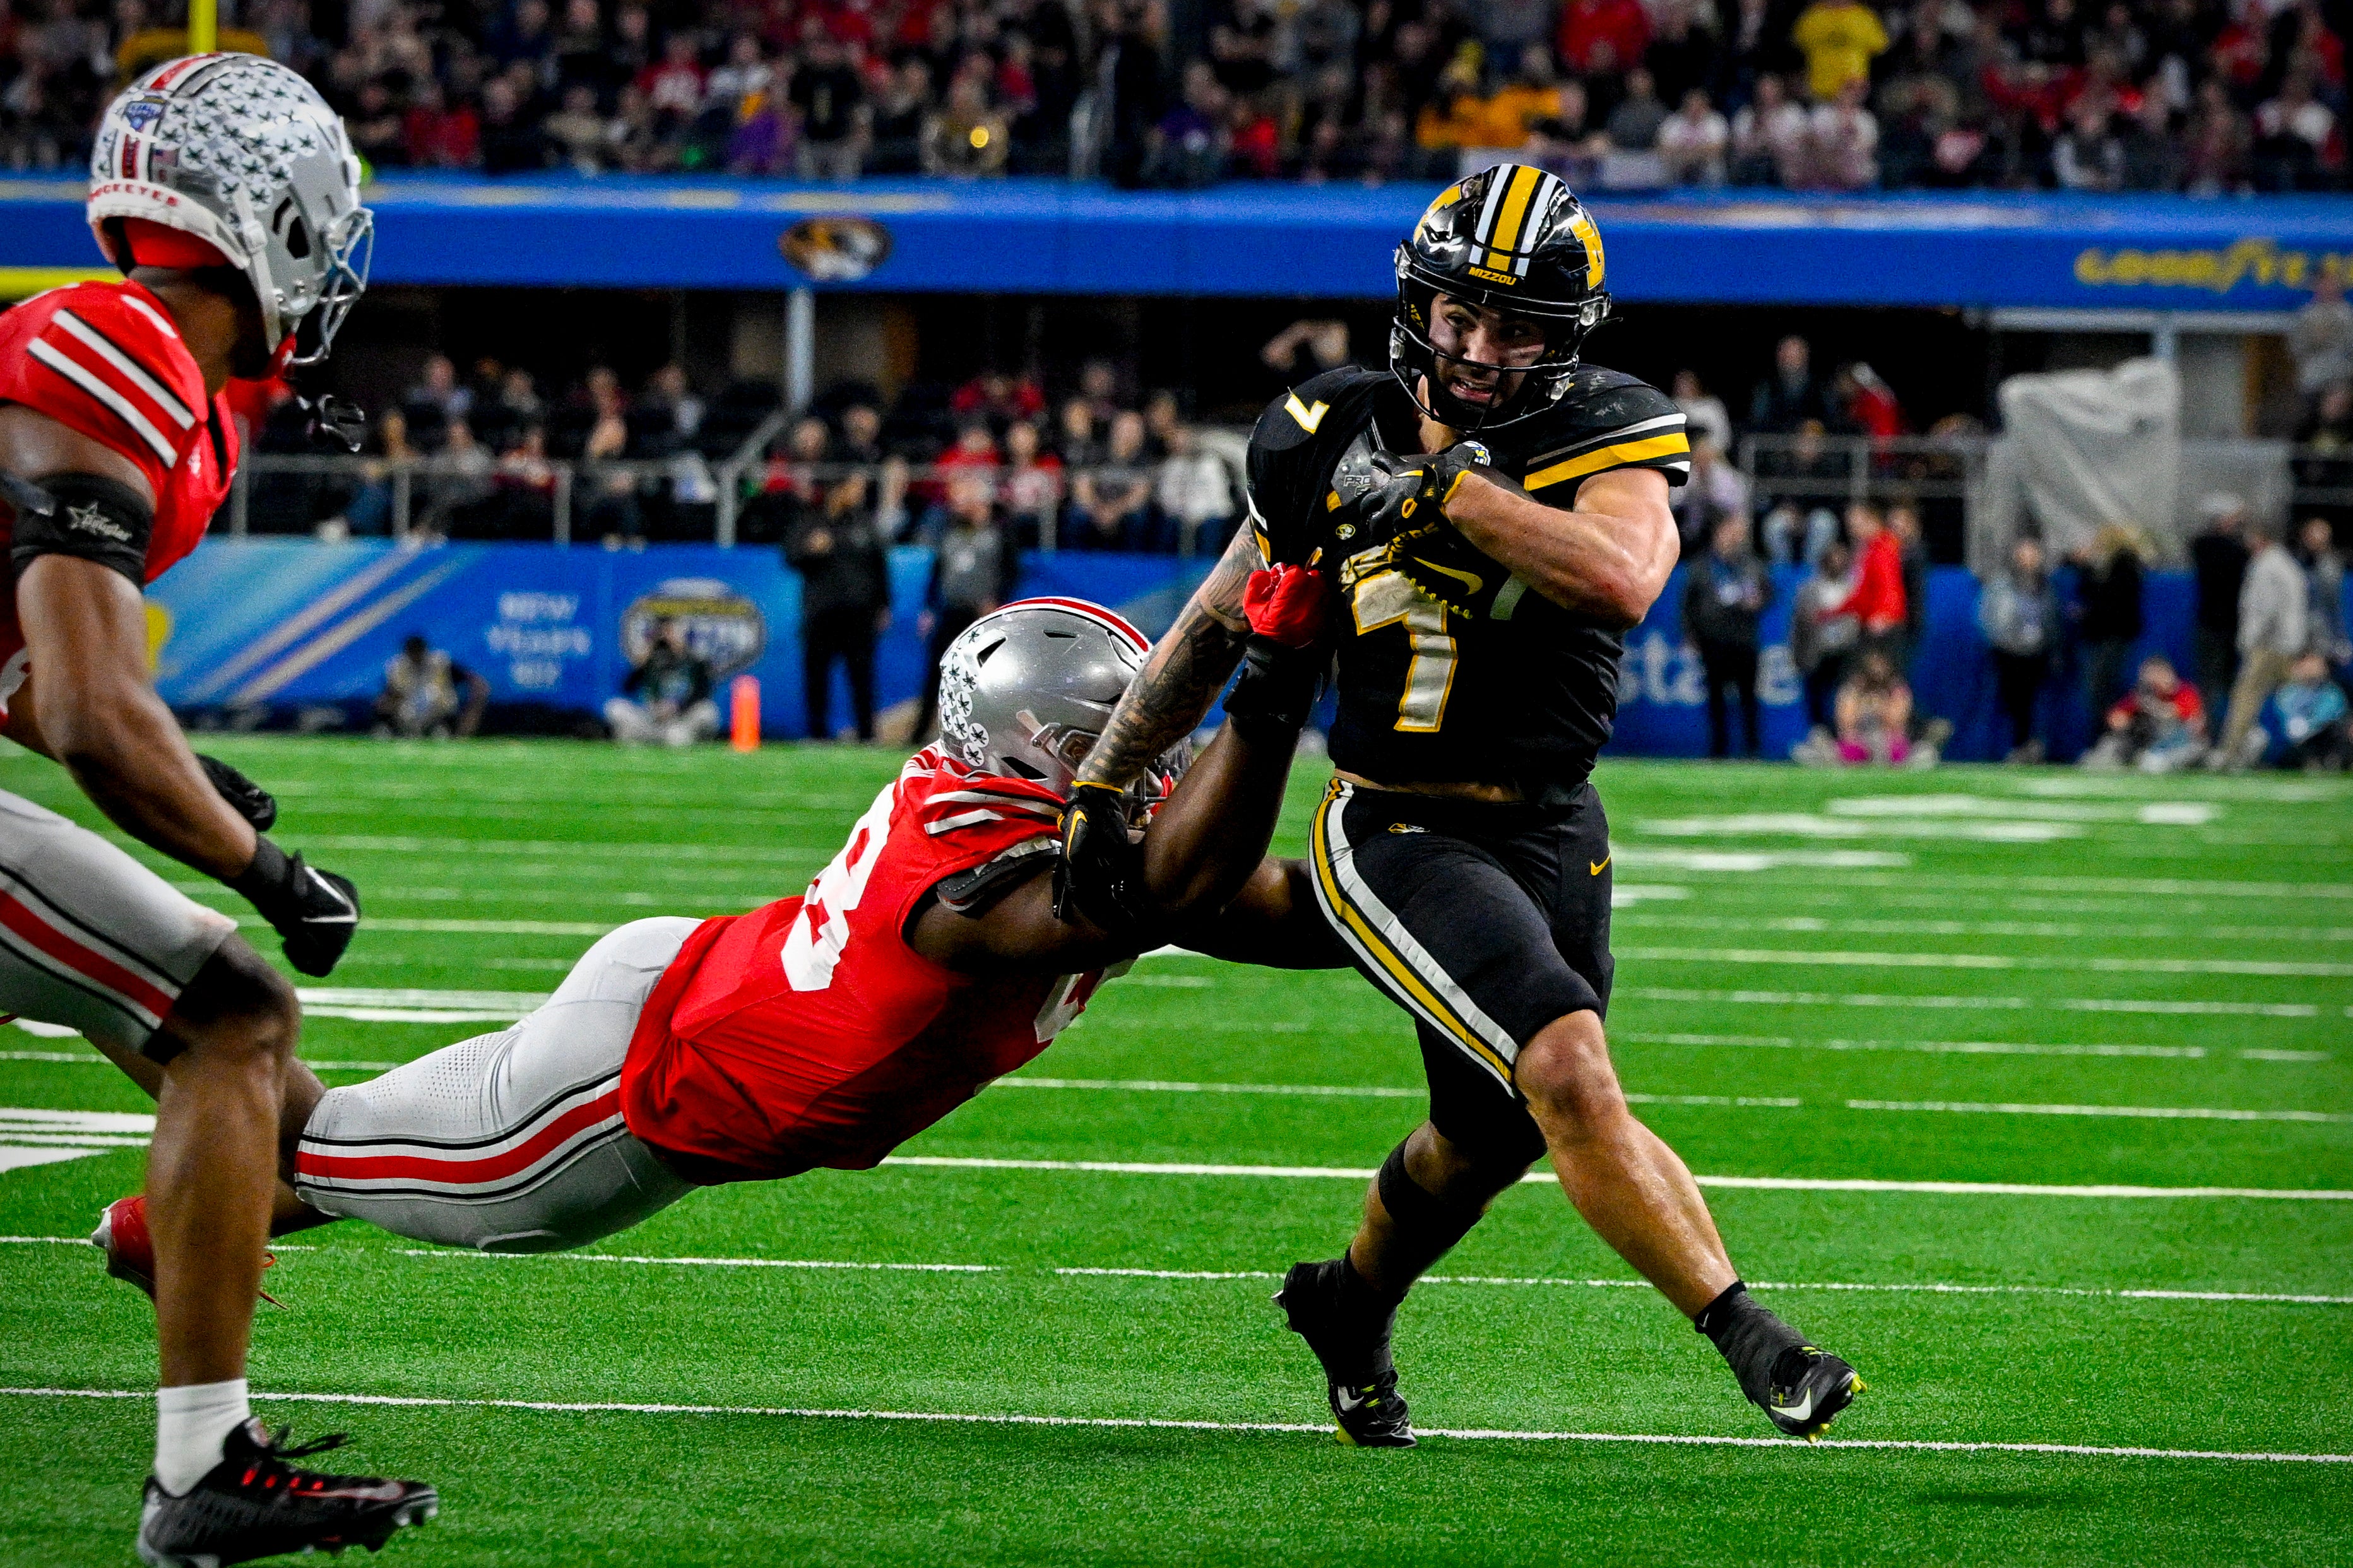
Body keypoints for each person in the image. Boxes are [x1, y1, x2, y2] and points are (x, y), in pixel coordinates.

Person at [1051, 165, 1858, 1449]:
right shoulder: (1323, 431)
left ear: (1568, 337)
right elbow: (1213, 625)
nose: (1480, 349)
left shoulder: (1606, 428)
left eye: (1519, 325)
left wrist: (1451, 496)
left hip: (1551, 828)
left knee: (1480, 1143)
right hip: (1395, 821)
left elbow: (1620, 578)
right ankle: (1756, 1339)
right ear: (1415, 305)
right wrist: (1103, 773)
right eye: (1460, 315)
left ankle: (1347, 1303)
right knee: (1564, 1069)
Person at [93, 589, 1345, 1394]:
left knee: (340, 1140)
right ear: (1035, 752)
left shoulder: (1011, 802)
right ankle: (84, 965)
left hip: (677, 988)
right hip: (615, 1109)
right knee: (303, 1124)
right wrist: (1274, 667)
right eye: (1114, 734)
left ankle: (163, 1219)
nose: (1156, 754)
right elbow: (1158, 897)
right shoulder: (986, 880)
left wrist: (1433, 912)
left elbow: (1265, 904)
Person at [0, 56, 434, 1564]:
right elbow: (80, 710)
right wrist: (270, 866)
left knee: (237, 1066)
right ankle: (202, 1471)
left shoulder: (162, 384)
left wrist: (186, 776)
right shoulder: (114, 341)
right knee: (234, 1013)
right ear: (276, 213)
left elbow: (26, 677)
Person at [786, 471, 891, 743]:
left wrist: (883, 604)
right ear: (838, 490)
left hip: (859, 615)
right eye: (854, 488)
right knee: (817, 675)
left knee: (862, 677)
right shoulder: (811, 521)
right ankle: (817, 734)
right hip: (822, 613)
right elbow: (790, 556)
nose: (859, 494)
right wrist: (810, 549)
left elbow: (880, 567)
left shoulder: (865, 524)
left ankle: (867, 735)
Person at [911, 478, 1017, 740]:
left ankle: (979, 735)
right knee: (937, 672)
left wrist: (997, 600)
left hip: (980, 616)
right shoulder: (951, 533)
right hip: (950, 610)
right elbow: (937, 573)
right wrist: (929, 606)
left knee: (981, 677)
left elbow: (1011, 573)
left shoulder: (1000, 535)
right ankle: (920, 732)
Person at [2215, 519, 2309, 769]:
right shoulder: (2288, 564)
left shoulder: (2268, 566)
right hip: (2288, 644)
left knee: (2246, 696)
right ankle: (2305, 751)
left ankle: (2230, 752)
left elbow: (2266, 609)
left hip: (2268, 645)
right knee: (2293, 699)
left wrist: (2251, 640)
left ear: (2259, 538)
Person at [1682, 514, 1774, 758]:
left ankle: (1753, 750)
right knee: (1716, 700)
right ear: (1718, 533)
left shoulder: (1751, 564)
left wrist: (1759, 602)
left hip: (1744, 639)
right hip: (1714, 640)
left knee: (1749, 698)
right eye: (1730, 532)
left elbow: (1770, 592)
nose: (1734, 537)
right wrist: (1690, 635)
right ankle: (1718, 750)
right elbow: (1688, 604)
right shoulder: (1702, 566)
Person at [1977, 536, 2057, 762]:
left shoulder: (2045, 585)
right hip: (2008, 651)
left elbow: (2051, 617)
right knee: (2011, 700)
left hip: (2035, 651)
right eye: (2024, 553)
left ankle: (2027, 744)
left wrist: (2053, 646)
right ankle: (2012, 745)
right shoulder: (2003, 583)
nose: (2028, 559)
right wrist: (1998, 640)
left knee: (2029, 701)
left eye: (2033, 554)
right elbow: (1988, 615)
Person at [2082, 654, 2207, 772]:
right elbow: (2116, 718)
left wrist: (2152, 706)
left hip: (2178, 746)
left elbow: (2190, 721)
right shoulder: (2143, 695)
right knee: (2110, 746)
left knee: (2192, 750)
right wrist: (2129, 718)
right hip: (2144, 746)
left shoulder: (2185, 692)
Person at [605, 618, 720, 746]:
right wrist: (643, 663)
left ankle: (664, 741)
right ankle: (642, 741)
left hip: (679, 721)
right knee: (615, 708)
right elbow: (628, 688)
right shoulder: (653, 658)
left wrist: (677, 707)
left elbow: (702, 693)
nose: (669, 636)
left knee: (707, 712)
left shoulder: (694, 661)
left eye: (672, 631)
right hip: (652, 719)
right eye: (665, 631)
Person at [2072, 524, 2146, 719]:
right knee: (2101, 686)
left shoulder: (2124, 567)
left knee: (2100, 687)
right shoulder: (2122, 567)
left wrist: (2087, 614)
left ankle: (2105, 731)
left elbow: (2108, 601)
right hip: (2111, 633)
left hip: (2112, 634)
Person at [1791, 539, 1858, 748]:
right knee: (1816, 699)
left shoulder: (1853, 587)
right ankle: (1819, 741)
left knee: (1843, 700)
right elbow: (1798, 625)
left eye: (1841, 559)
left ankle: (1844, 743)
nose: (1836, 563)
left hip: (1845, 653)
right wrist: (1797, 655)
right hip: (1817, 652)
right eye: (1833, 558)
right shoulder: (1809, 589)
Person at [2190, 495, 2250, 708]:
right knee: (2220, 680)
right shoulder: (2233, 550)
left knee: (2214, 680)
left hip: (2213, 620)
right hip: (2224, 622)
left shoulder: (2201, 544)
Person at [374, 634, 489, 739]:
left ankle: (442, 731)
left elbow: (476, 682)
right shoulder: (398, 666)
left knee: (436, 699)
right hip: (408, 711)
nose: (416, 657)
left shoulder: (440, 662)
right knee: (383, 705)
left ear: (425, 651)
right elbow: (391, 694)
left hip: (439, 711)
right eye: (412, 653)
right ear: (407, 653)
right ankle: (392, 731)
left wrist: (475, 704)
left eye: (418, 653)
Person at [2268, 650, 2352, 770]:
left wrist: (2309, 724)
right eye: (2307, 663)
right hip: (2295, 739)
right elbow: (2285, 713)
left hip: (2323, 736)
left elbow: (2330, 714)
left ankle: (2331, 761)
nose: (2311, 668)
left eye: (2316, 664)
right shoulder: (2288, 692)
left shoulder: (2331, 692)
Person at [1830, 645, 1913, 764]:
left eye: (1881, 664)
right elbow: (1846, 722)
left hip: (1889, 744)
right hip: (1857, 742)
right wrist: (1863, 705)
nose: (1877, 670)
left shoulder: (1897, 690)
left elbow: (1897, 722)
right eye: (1873, 664)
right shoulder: (1852, 690)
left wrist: (1880, 707)